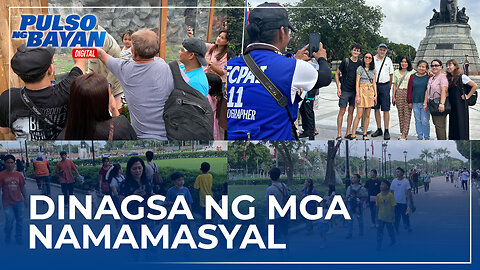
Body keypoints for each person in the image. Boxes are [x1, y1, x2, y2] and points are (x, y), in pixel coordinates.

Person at [227, 2, 331, 140]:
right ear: (282, 32)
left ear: (249, 32)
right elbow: (325, 77)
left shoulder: (229, 65)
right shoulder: (293, 67)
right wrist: (322, 58)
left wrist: (294, 60)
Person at [97, 28, 175, 140]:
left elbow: (100, 54)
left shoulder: (125, 70)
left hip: (141, 137)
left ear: (133, 52)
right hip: (169, 134)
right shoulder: (165, 66)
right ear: (157, 51)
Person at [0, 45, 86, 140]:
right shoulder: (67, 90)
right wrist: (75, 40)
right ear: (50, 70)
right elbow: (81, 61)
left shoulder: (7, 98)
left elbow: (4, 130)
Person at [58, 73, 137, 140]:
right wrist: (114, 109)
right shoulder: (121, 126)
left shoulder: (63, 135)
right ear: (102, 102)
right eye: (109, 94)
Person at [335, 44, 363, 140]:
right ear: (351, 51)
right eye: (354, 50)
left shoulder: (360, 63)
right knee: (342, 111)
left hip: (354, 91)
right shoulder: (345, 61)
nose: (356, 52)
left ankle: (348, 132)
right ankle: (339, 134)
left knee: (351, 112)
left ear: (360, 53)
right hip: (345, 90)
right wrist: (338, 87)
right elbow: (337, 74)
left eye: (358, 50)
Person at [119, 157, 153, 236]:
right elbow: (121, 202)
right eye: (134, 169)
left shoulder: (147, 181)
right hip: (132, 219)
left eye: (139, 168)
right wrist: (133, 196)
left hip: (147, 217)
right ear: (129, 170)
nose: (137, 171)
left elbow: (151, 194)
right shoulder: (124, 184)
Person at [446, 59, 478, 140]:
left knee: (461, 124)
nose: (448, 67)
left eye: (450, 65)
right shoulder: (449, 77)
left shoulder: (462, 77)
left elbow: (475, 86)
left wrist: (467, 96)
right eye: (447, 65)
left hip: (461, 105)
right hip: (452, 105)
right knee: (453, 124)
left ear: (455, 66)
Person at [0, 155, 28, 244]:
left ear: (14, 163)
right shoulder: (1, 175)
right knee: (9, 220)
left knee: (19, 221)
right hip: (7, 203)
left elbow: (22, 187)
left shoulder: (18, 175)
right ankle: (7, 235)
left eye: (12, 162)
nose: (10, 164)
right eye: (8, 162)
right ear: (5, 163)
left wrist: (25, 198)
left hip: (18, 201)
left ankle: (18, 238)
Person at [350, 52, 377, 140]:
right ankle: (353, 134)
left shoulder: (373, 70)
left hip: (370, 91)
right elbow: (357, 82)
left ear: (372, 59)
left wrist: (375, 95)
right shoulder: (360, 69)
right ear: (363, 58)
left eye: (369, 57)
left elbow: (374, 83)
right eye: (366, 57)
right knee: (359, 114)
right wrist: (357, 95)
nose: (367, 59)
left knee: (368, 115)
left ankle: (365, 134)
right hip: (361, 90)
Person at [371, 44, 394, 140]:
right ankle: (379, 128)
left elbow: (391, 74)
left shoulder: (388, 60)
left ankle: (387, 130)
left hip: (385, 85)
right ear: (377, 50)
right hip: (375, 85)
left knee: (386, 109)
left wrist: (388, 87)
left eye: (384, 50)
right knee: (376, 108)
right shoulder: (372, 59)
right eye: (380, 49)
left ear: (386, 51)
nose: (382, 51)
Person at [392, 57, 416, 140]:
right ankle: (402, 132)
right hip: (399, 93)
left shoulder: (412, 72)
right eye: (402, 62)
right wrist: (393, 96)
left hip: (408, 93)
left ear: (408, 63)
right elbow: (394, 85)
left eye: (405, 62)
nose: (403, 63)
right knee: (400, 114)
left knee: (407, 114)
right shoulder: (396, 72)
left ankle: (404, 134)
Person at [424, 59, 449, 140]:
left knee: (439, 126)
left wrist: (442, 103)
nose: (434, 67)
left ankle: (442, 142)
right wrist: (425, 103)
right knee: (438, 125)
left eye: (436, 65)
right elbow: (427, 91)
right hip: (432, 104)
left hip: (439, 103)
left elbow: (444, 90)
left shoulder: (443, 77)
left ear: (441, 67)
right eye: (432, 66)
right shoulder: (432, 78)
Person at [407, 60, 431, 140]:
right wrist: (409, 101)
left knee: (425, 121)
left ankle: (427, 137)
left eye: (423, 67)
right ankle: (420, 136)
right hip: (415, 102)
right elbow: (410, 89)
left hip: (425, 103)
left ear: (426, 68)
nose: (421, 68)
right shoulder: (412, 76)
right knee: (417, 120)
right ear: (417, 67)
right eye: (420, 66)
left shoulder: (429, 77)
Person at [266, 167, 290, 245]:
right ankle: (288, 251)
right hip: (284, 213)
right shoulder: (284, 186)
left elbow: (269, 204)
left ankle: (281, 253)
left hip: (275, 215)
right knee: (285, 233)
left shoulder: (270, 189)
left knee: (277, 236)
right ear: (279, 176)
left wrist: (268, 217)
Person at [165, 172, 193, 236]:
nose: (181, 182)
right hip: (175, 215)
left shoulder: (186, 190)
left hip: (185, 215)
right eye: (179, 180)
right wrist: (174, 203)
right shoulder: (170, 191)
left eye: (182, 180)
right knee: (175, 231)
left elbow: (189, 202)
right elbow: (167, 202)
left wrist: (190, 213)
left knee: (186, 231)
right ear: (173, 182)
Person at [390, 167, 413, 233]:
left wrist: (410, 201)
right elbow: (391, 192)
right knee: (396, 216)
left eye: (398, 172)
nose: (397, 173)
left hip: (403, 202)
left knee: (405, 215)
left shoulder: (406, 181)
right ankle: (396, 228)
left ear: (402, 173)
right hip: (395, 202)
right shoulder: (394, 181)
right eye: (396, 172)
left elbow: (408, 192)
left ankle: (408, 226)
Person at [376, 180, 396, 250]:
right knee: (379, 231)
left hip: (389, 217)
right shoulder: (378, 196)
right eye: (381, 184)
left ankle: (393, 239)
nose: (381, 186)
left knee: (390, 230)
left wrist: (393, 214)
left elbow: (393, 205)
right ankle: (379, 244)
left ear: (387, 187)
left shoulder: (390, 195)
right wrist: (376, 216)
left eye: (383, 185)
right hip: (381, 217)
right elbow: (377, 206)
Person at [346, 174, 367, 239]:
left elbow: (365, 196)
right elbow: (347, 196)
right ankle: (349, 233)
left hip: (358, 205)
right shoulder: (349, 188)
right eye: (353, 177)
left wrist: (359, 197)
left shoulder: (362, 188)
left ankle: (361, 231)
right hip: (351, 204)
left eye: (355, 177)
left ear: (358, 179)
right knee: (350, 219)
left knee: (359, 218)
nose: (353, 179)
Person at [206, 73, 225, 140]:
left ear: (209, 87)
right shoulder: (215, 97)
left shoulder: (207, 97)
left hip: (208, 123)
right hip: (215, 122)